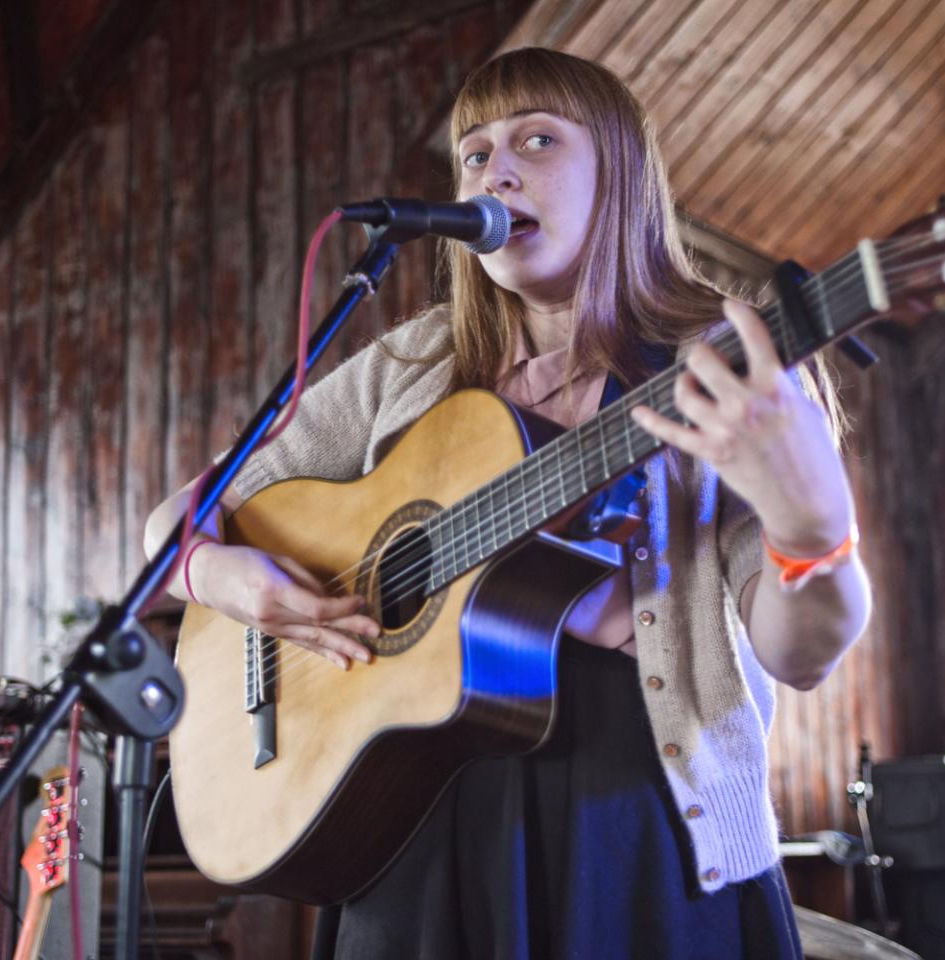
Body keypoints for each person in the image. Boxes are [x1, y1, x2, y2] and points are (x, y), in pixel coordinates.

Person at [145, 47, 871, 959]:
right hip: (402, 820)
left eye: (537, 139)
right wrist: (227, 576)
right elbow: (179, 517)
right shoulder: (413, 364)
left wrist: (811, 523)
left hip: (631, 824)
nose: (497, 169)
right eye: (475, 154)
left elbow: (801, 653)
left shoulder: (723, 368)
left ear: (622, 175)